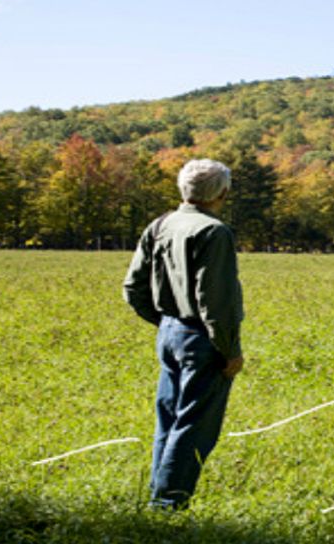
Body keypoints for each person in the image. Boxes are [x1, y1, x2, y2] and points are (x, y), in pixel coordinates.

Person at [123, 159, 244, 510]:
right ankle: (167, 505)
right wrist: (230, 350)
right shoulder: (214, 232)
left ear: (183, 189)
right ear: (223, 192)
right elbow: (215, 301)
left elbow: (133, 287)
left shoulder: (160, 224)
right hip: (202, 339)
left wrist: (164, 322)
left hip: (169, 331)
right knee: (194, 425)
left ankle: (159, 493)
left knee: (169, 420)